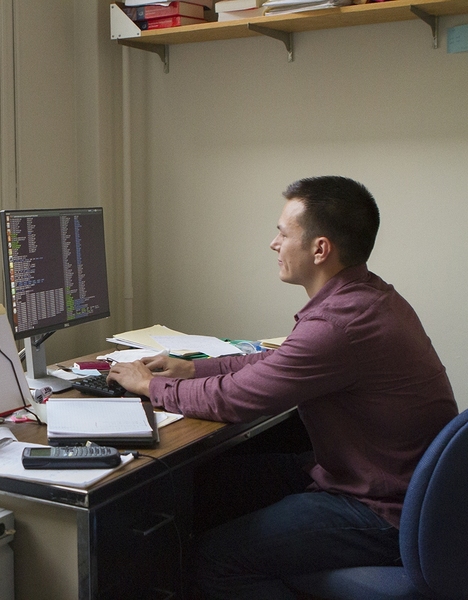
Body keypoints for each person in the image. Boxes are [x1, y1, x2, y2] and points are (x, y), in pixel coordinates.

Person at [107, 176, 458, 599]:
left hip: (382, 511)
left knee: (216, 558)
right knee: (212, 485)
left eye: (282, 232)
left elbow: (236, 398)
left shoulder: (338, 325)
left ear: (320, 248)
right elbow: (277, 361)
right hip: (382, 482)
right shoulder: (369, 297)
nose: (274, 243)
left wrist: (150, 387)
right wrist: (190, 370)